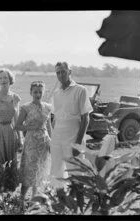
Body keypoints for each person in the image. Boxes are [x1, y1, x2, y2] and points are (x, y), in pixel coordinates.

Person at [49, 62, 93, 190]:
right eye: (58, 72)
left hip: (73, 136)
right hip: (57, 136)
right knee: (56, 170)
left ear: (70, 72)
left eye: (63, 71)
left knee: (75, 171)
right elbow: (55, 118)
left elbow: (86, 118)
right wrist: (53, 139)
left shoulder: (80, 90)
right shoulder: (56, 93)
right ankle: (59, 198)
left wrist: (78, 144)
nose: (60, 75)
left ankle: (77, 201)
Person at [0, 68, 23, 210]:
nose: (3, 79)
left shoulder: (15, 97)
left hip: (11, 131)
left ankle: (7, 195)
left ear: (10, 79)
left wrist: (20, 137)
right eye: (1, 77)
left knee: (10, 161)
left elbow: (17, 118)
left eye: (5, 77)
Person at [15, 81, 52, 209]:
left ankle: (34, 199)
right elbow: (17, 125)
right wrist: (29, 127)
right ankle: (21, 198)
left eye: (40, 92)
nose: (38, 94)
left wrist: (51, 141)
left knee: (40, 170)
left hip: (44, 141)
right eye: (35, 92)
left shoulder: (48, 107)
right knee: (29, 170)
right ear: (31, 92)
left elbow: (49, 126)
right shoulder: (26, 107)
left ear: (43, 93)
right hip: (31, 141)